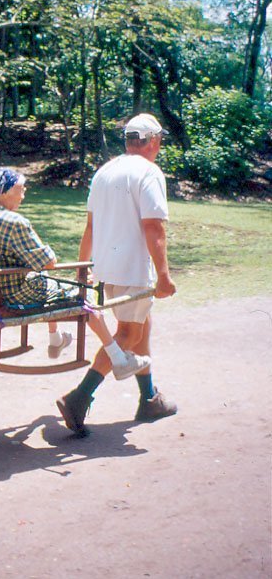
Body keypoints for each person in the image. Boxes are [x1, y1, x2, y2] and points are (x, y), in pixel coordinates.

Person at [57, 113, 177, 436]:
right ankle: (79, 398)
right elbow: (154, 227)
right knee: (128, 334)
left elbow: (91, 228)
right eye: (159, 140)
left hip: (108, 270)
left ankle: (149, 398)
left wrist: (84, 271)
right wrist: (164, 277)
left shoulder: (105, 172)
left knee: (142, 327)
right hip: (134, 270)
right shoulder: (149, 172)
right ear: (153, 141)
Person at [0, 166, 150, 376]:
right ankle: (118, 359)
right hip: (13, 295)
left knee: (44, 279)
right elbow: (48, 261)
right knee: (86, 294)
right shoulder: (12, 222)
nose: (24, 195)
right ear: (5, 191)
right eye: (22, 189)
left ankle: (56, 339)